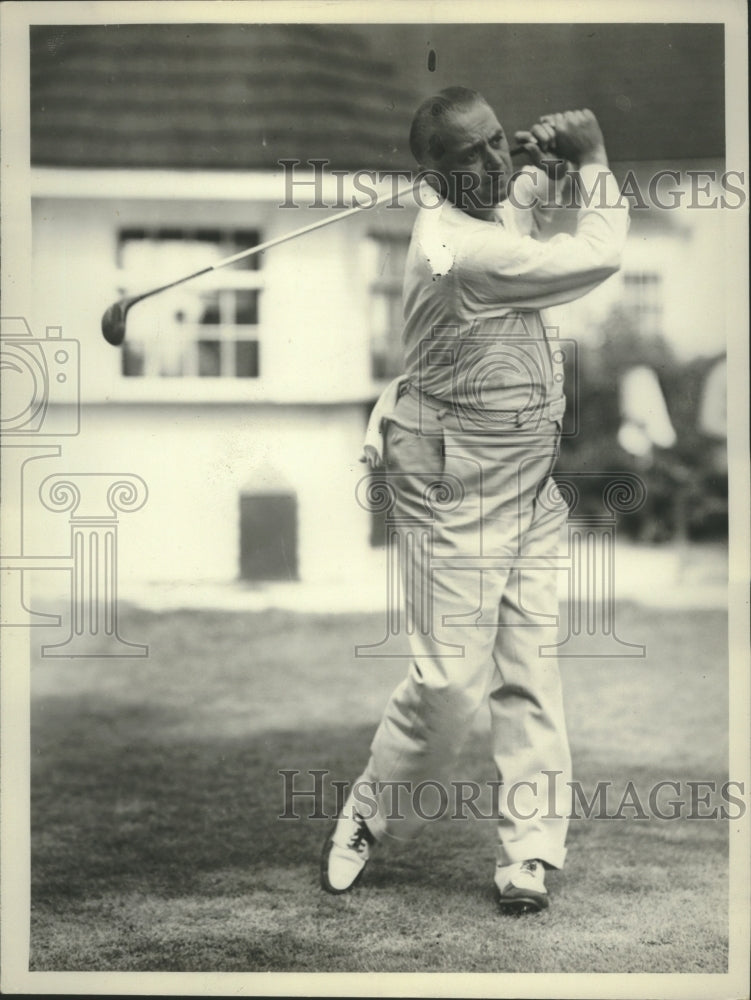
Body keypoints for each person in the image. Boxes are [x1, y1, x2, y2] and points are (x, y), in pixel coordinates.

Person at [321, 87, 629, 913]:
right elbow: (595, 255)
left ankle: (529, 854)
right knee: (452, 680)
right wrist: (590, 159)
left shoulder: (476, 221)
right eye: (469, 157)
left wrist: (529, 174)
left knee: (529, 667)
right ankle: (368, 811)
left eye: (498, 141)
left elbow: (509, 214)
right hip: (449, 472)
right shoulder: (452, 251)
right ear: (430, 175)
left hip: (522, 469)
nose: (493, 163)